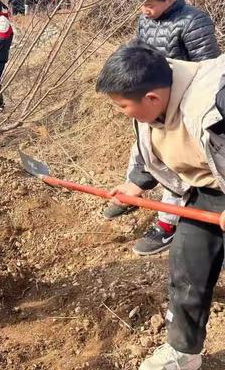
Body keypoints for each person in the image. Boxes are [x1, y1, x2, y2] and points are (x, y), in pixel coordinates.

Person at [96, 40, 225, 370]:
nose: (121, 112)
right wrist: (136, 183)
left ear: (151, 98)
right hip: (210, 188)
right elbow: (150, 137)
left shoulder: (214, 105)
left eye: (122, 106)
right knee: (187, 268)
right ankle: (184, 352)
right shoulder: (155, 91)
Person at [104, 0, 221, 256]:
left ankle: (168, 223)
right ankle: (136, 187)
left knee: (180, 164)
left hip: (184, 105)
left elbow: (209, 70)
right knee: (147, 150)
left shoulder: (193, 22)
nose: (145, 10)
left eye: (151, 4)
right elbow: (139, 56)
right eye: (142, 4)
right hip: (152, 101)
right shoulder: (144, 20)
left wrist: (181, 101)